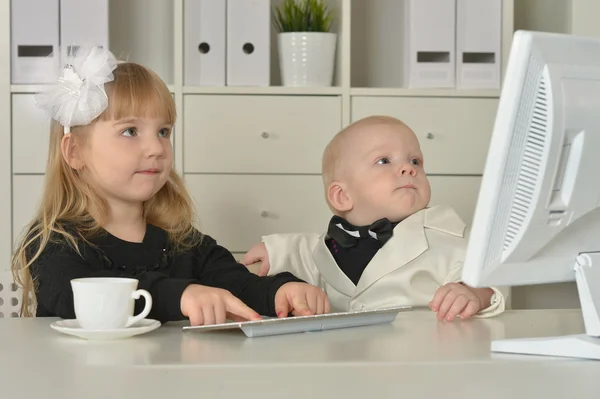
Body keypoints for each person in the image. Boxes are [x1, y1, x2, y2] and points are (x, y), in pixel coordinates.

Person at [10, 46, 329, 326]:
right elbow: (80, 295)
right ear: (75, 152)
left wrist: (281, 291)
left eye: (163, 131)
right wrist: (179, 295)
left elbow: (237, 284)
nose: (156, 148)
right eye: (130, 131)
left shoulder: (183, 242)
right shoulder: (52, 241)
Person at [242, 116, 506, 321]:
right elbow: (305, 252)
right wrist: (274, 250)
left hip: (424, 365)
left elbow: (491, 278)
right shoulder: (327, 249)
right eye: (383, 161)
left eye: (415, 161)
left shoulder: (448, 236)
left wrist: (473, 292)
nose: (408, 168)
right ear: (342, 196)